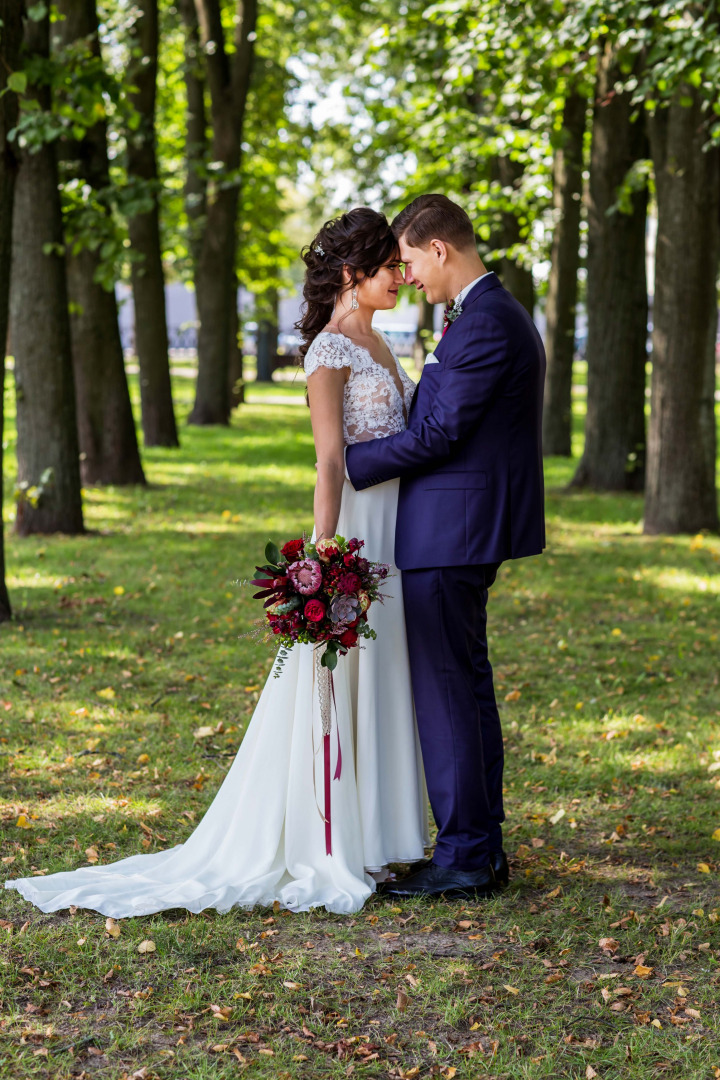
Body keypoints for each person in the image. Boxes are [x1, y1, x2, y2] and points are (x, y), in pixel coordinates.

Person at [4, 207, 429, 918]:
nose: (400, 276)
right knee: (342, 677)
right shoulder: (328, 353)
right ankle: (333, 839)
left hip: (398, 530)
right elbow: (330, 463)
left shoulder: (383, 346)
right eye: (390, 265)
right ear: (354, 273)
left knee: (383, 674)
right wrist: (326, 557)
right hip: (356, 529)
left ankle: (385, 834)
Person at [345, 193, 546, 899]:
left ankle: (464, 856)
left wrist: (348, 465)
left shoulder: (486, 322)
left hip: (451, 533)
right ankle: (480, 847)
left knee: (448, 693)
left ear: (439, 248)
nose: (408, 279)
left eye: (408, 261)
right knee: (466, 687)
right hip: (452, 528)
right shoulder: (485, 316)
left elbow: (437, 436)